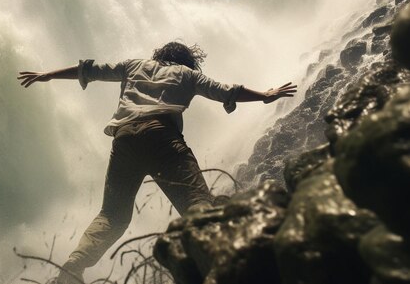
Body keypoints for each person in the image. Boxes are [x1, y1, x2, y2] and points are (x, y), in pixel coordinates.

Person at [17, 41, 297, 284]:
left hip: (124, 138)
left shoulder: (133, 65)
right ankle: (221, 264)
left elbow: (89, 70)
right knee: (198, 205)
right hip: (162, 136)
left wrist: (47, 75)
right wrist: (265, 96)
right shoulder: (186, 74)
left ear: (158, 54)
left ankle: (72, 268)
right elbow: (226, 90)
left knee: (111, 216)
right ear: (187, 62)